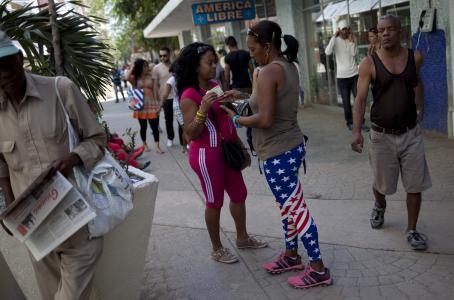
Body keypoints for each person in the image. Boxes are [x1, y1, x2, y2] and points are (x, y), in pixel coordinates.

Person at [222, 20, 332, 289]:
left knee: (296, 208)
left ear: (267, 47)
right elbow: (268, 100)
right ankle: (292, 255)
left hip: (278, 151)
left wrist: (236, 120)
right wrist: (242, 95)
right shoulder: (286, 66)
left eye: (253, 48)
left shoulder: (269, 71)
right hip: (289, 147)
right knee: (288, 206)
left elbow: (266, 117)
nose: (251, 53)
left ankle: (318, 269)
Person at [0, 31, 106, 299]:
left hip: (78, 221)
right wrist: (8, 206)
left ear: (20, 58)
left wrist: (73, 158)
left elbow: (97, 138)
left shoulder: (60, 89)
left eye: (7, 62)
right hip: (35, 227)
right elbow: (1, 164)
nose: (4, 73)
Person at [175, 42, 267, 264]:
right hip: (206, 156)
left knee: (239, 193)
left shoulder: (214, 85)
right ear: (196, 67)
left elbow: (225, 116)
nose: (214, 66)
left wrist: (234, 98)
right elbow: (190, 134)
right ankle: (217, 249)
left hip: (226, 150)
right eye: (209, 62)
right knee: (214, 201)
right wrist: (202, 109)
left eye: (215, 61)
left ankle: (242, 238)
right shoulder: (189, 95)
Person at [351, 15, 432, 251]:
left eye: (390, 29)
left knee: (414, 184)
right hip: (381, 136)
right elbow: (360, 99)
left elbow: (417, 82)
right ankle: (379, 205)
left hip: (410, 134)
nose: (384, 33)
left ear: (400, 32)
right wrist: (356, 131)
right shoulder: (369, 63)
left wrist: (420, 107)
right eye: (381, 30)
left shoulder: (414, 58)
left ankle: (412, 229)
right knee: (382, 184)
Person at [325, 20, 368, 131]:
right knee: (346, 102)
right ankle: (349, 122)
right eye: (343, 29)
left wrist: (352, 41)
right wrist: (334, 36)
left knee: (359, 100)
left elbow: (354, 53)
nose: (345, 31)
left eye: (347, 29)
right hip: (342, 77)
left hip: (354, 75)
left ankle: (361, 122)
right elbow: (327, 52)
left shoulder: (352, 39)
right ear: (339, 30)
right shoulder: (335, 41)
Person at [128, 58, 163, 154]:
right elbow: (127, 77)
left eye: (147, 65)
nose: (147, 67)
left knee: (154, 127)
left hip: (152, 104)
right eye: (144, 66)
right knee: (143, 127)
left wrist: (159, 104)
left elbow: (156, 91)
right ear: (140, 67)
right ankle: (145, 144)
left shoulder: (152, 76)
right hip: (140, 106)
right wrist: (133, 66)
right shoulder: (135, 78)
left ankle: (157, 146)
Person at [162, 62, 187, 153]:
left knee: (185, 128)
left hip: (183, 105)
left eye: (173, 72)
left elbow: (165, 95)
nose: (173, 74)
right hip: (181, 106)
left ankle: (185, 146)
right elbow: (165, 95)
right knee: (185, 128)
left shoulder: (180, 78)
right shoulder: (173, 80)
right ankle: (186, 146)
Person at [152, 47, 175, 147]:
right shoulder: (156, 68)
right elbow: (155, 86)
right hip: (165, 98)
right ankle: (170, 138)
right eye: (160, 56)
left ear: (169, 55)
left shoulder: (175, 66)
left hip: (178, 96)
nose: (162, 58)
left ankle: (185, 141)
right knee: (168, 119)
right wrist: (157, 100)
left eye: (164, 55)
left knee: (181, 119)